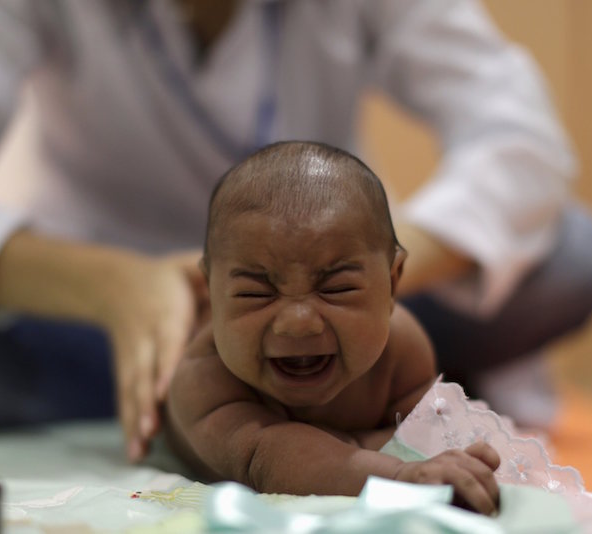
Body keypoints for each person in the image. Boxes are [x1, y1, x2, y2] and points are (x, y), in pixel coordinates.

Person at [0, 1, 592, 461]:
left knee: (574, 254)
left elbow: (520, 141)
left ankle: (336, 363)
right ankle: (218, 391)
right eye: (249, 294)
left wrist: (360, 286)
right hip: (103, 308)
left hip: (353, 307)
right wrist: (115, 287)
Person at [165, 141, 501, 515]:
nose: (298, 322)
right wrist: (400, 474)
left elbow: (424, 437)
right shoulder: (205, 379)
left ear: (393, 281)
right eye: (254, 294)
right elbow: (274, 459)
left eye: (336, 289)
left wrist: (452, 457)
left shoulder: (401, 350)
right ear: (210, 291)